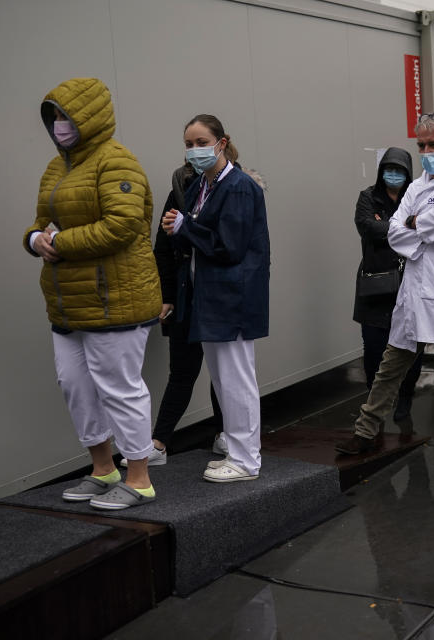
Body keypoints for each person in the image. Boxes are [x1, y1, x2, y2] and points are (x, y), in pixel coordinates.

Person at [24, 77, 161, 510]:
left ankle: (139, 478)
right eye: (55, 117)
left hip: (115, 300)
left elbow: (123, 225)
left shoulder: (117, 161)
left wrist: (59, 243)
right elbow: (40, 221)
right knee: (75, 386)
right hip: (67, 304)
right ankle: (104, 470)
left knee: (120, 388)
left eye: (67, 116)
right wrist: (34, 240)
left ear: (90, 117)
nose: (60, 125)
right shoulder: (55, 167)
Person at [335, 111, 434, 484]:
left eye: (433, 144)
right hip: (417, 287)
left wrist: (417, 224)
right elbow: (394, 235)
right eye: (421, 145)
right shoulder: (417, 186)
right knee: (391, 365)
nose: (426, 151)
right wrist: (421, 228)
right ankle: (366, 430)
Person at [162, 114, 270, 483]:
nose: (194, 151)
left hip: (232, 297)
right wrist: (177, 230)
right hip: (209, 297)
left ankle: (246, 459)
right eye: (189, 144)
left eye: (201, 142)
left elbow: (230, 246)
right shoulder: (200, 186)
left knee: (237, 379)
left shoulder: (238, 187)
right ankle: (237, 452)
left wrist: (184, 227)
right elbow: (197, 237)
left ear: (222, 143)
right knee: (224, 380)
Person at [354, 147, 422, 421]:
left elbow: (426, 228)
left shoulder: (416, 197)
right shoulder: (368, 197)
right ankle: (375, 405)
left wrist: (391, 227)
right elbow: (367, 226)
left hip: (411, 284)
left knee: (411, 349)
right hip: (376, 284)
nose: (393, 175)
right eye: (389, 169)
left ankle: (405, 400)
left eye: (399, 170)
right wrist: (406, 226)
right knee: (373, 350)